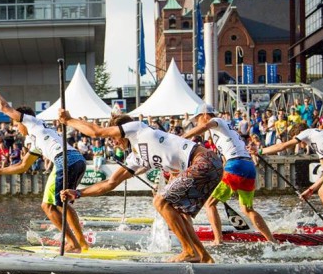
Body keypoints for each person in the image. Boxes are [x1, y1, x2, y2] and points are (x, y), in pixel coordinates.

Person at [58, 109, 223, 263]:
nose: (113, 143)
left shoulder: (137, 128)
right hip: (210, 167)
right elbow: (110, 183)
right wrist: (79, 193)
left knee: (160, 202)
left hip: (205, 160)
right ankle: (204, 258)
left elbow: (96, 132)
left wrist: (69, 120)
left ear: (119, 131)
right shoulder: (136, 158)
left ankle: (189, 251)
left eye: (113, 137)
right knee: (178, 212)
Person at [0, 81, 89, 253]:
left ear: (21, 119)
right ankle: (81, 243)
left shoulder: (32, 122)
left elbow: (3, 107)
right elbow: (23, 166)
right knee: (60, 203)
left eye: (16, 124)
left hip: (65, 160)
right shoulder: (36, 138)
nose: (17, 128)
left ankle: (74, 244)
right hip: (76, 159)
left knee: (51, 205)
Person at [182, 104, 275, 245]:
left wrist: (182, 137)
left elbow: (204, 127)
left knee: (210, 204)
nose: (196, 122)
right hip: (248, 166)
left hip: (236, 165)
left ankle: (218, 240)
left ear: (205, 115)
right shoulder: (222, 132)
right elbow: (225, 160)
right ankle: (272, 240)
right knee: (247, 209)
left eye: (197, 119)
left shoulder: (218, 121)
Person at [251, 124, 323, 233]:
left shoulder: (307, 132)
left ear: (298, 134)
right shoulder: (319, 142)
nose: (299, 145)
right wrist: (311, 189)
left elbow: (282, 146)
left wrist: (260, 151)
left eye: (297, 141)